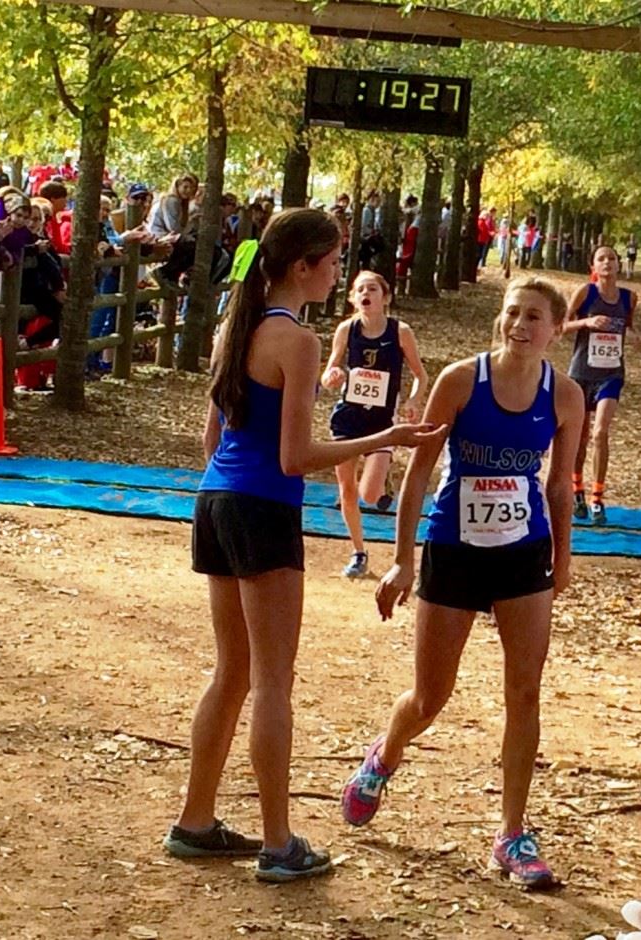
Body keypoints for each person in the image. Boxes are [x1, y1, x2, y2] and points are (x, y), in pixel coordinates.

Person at [162, 209, 444, 883]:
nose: (339, 272)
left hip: (217, 502)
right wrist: (386, 440)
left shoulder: (239, 327)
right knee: (271, 681)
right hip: (261, 509)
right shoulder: (298, 340)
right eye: (333, 260)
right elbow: (294, 457)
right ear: (302, 268)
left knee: (231, 672)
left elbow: (213, 441)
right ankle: (278, 841)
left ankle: (195, 820)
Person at [339, 276, 585, 889]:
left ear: (555, 330)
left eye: (533, 317)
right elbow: (419, 474)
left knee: (524, 693)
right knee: (430, 697)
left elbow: (558, 484)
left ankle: (512, 832)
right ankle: (384, 755)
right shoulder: (459, 381)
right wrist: (402, 559)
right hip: (453, 545)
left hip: (522, 553)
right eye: (511, 314)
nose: (519, 325)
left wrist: (564, 555)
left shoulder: (566, 396)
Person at [321, 271, 429, 578]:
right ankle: (358, 552)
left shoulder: (400, 331)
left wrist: (412, 401)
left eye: (372, 289)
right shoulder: (346, 329)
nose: (366, 294)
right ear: (353, 299)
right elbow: (330, 371)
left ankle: (384, 480)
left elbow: (421, 375)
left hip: (382, 421)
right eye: (359, 290)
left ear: (385, 297)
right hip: (348, 417)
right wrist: (332, 377)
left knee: (369, 494)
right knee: (347, 490)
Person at [564, 245, 641, 524]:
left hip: (611, 374)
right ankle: (577, 493)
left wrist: (636, 337)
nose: (607, 262)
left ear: (619, 264)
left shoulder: (629, 298)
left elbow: (628, 326)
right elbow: (561, 326)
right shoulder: (585, 293)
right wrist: (587, 322)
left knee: (600, 433)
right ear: (593, 266)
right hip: (582, 372)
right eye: (601, 259)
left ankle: (598, 499)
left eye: (612, 258)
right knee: (581, 436)